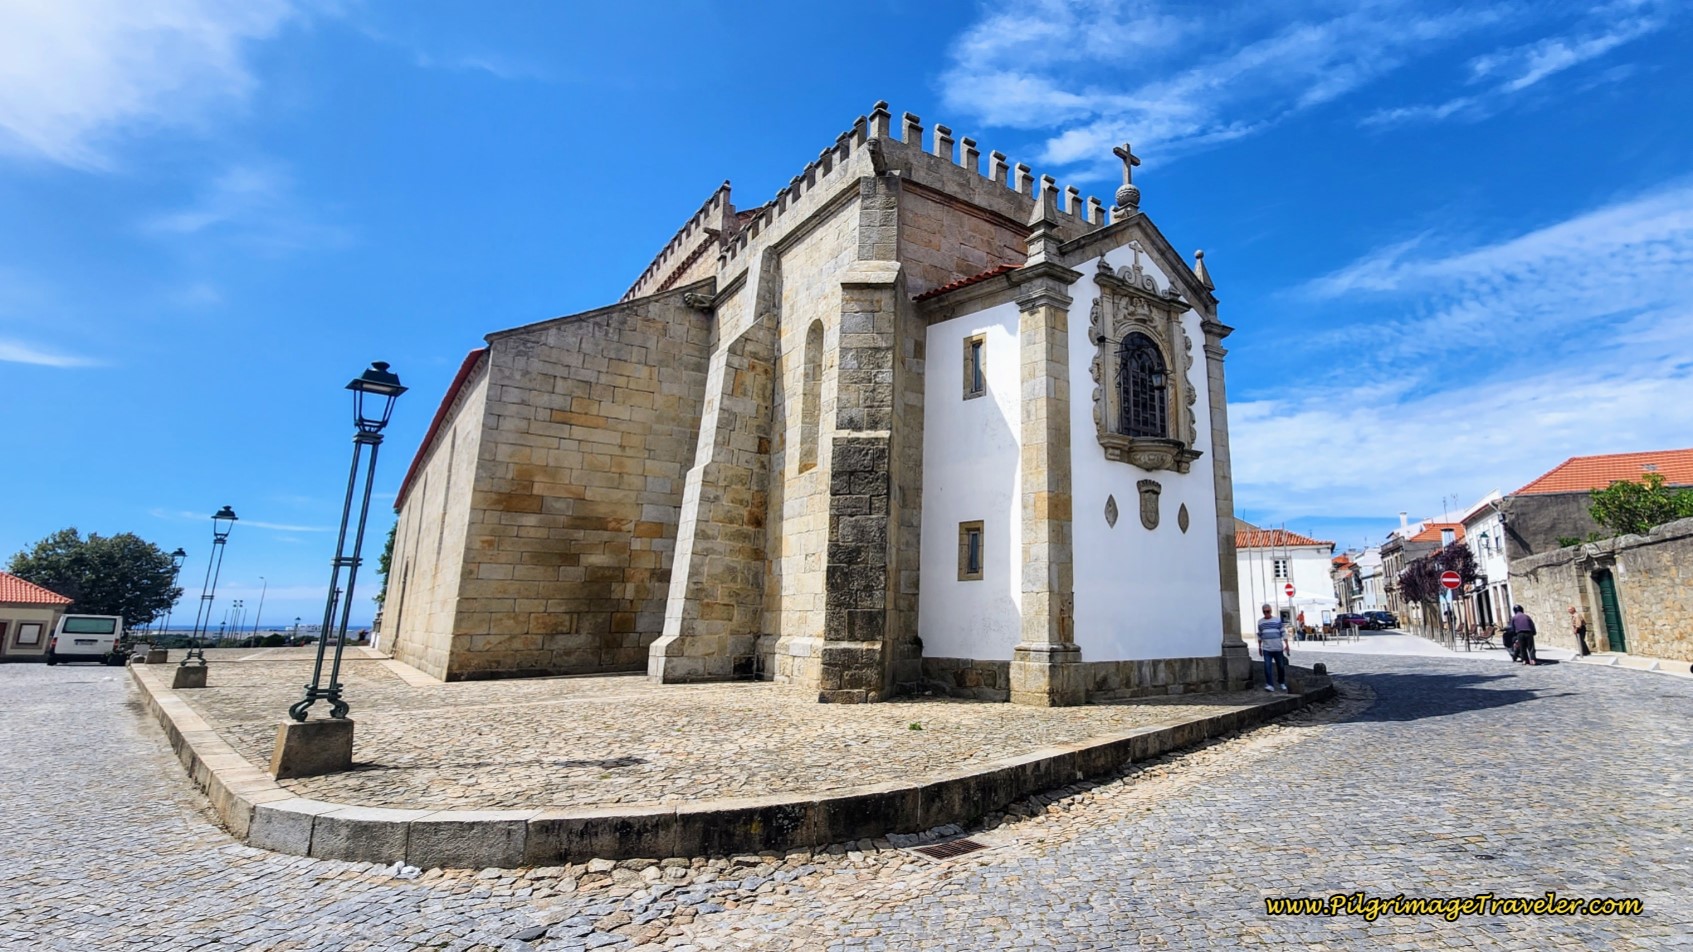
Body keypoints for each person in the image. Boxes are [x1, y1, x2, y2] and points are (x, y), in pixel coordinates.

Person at [1257, 603, 1291, 692]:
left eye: (1267, 611)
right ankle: (1270, 684)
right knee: (1267, 667)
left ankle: (1281, 682)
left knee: (1281, 666)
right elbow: (1260, 635)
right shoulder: (1260, 622)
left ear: (1271, 611)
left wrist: (1286, 645)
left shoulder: (1277, 620)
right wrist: (1259, 647)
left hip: (1277, 648)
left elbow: (1283, 632)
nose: (1266, 613)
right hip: (1267, 648)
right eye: (1264, 612)